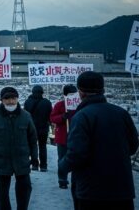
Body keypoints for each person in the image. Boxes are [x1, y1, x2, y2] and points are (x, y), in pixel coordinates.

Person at [59, 72, 139, 210]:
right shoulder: (122, 113)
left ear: (80, 92)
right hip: (122, 189)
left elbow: (76, 155)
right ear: (103, 90)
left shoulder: (81, 116)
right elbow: (132, 146)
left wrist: (62, 167)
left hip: (91, 191)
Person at [0, 87, 38, 210]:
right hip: (1, 160)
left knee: (25, 188)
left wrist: (35, 157)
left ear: (17, 98)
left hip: (21, 159)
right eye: (7, 98)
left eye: (13, 98)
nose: (10, 101)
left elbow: (33, 139)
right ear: (2, 100)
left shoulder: (26, 116)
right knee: (2, 192)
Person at [50, 84, 77, 189]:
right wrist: (63, 116)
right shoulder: (60, 105)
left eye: (75, 94)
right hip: (62, 137)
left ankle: (76, 180)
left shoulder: (80, 105)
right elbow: (52, 118)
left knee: (77, 159)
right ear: (65, 95)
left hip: (76, 137)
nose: (73, 96)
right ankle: (62, 180)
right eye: (71, 94)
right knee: (62, 159)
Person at [23, 85, 52, 171]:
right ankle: (43, 166)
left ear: (33, 92)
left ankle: (34, 165)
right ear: (42, 92)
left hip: (31, 129)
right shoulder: (47, 102)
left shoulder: (27, 102)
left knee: (32, 146)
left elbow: (25, 116)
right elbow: (50, 116)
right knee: (43, 146)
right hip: (43, 128)